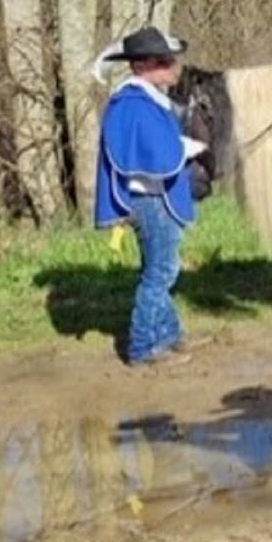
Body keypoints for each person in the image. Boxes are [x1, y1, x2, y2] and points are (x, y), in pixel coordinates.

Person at [95, 25, 206, 367]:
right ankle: (143, 347)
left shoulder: (147, 100)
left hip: (159, 197)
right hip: (149, 201)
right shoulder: (131, 103)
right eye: (163, 61)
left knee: (162, 269)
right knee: (160, 273)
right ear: (141, 66)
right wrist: (186, 148)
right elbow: (146, 155)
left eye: (170, 59)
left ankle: (170, 334)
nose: (173, 66)